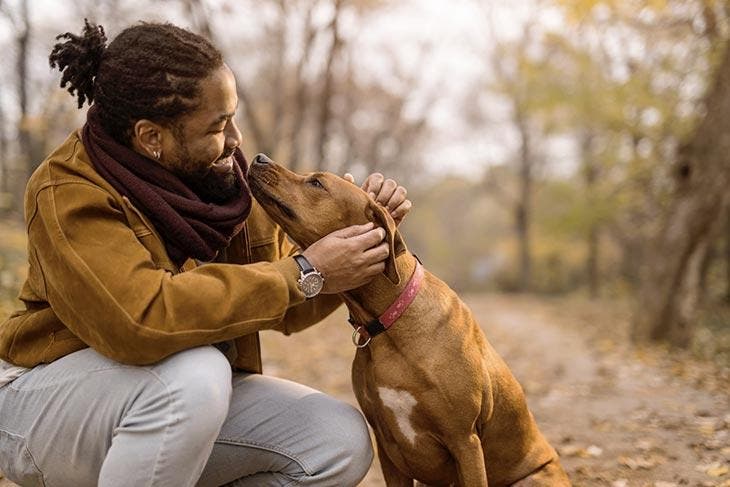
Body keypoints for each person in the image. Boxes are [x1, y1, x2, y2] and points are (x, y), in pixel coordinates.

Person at [0, 20, 411, 487]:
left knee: (335, 440)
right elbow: (140, 319)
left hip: (171, 400)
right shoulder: (68, 190)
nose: (236, 138)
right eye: (218, 125)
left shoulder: (225, 184)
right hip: (40, 406)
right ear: (152, 137)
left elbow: (288, 301)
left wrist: (353, 245)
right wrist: (306, 270)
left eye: (232, 116)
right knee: (194, 375)